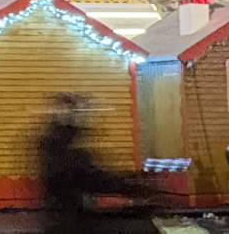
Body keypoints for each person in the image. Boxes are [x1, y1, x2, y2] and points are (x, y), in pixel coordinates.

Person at [39, 93, 150, 234]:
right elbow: (93, 177)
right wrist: (130, 186)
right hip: (70, 220)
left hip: (64, 215)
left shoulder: (56, 141)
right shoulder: (65, 148)